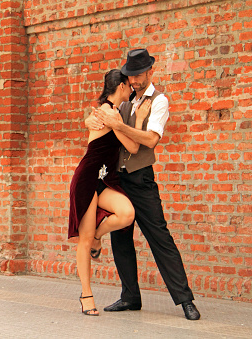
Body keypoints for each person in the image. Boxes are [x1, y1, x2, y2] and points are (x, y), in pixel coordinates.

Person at [85, 49, 201, 320]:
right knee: (121, 238)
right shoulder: (124, 100)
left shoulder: (160, 102)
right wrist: (91, 119)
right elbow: (97, 120)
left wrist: (119, 125)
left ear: (151, 72)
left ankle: (185, 299)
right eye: (130, 75)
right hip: (117, 177)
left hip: (141, 179)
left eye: (138, 74)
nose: (134, 80)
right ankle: (130, 296)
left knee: (160, 237)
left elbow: (149, 140)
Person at [68, 69, 151, 316]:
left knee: (126, 213)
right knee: (83, 239)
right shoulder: (107, 112)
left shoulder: (109, 112)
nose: (131, 89)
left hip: (103, 179)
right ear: (122, 87)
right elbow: (133, 147)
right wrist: (138, 120)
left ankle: (97, 236)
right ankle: (86, 295)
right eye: (129, 85)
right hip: (86, 179)